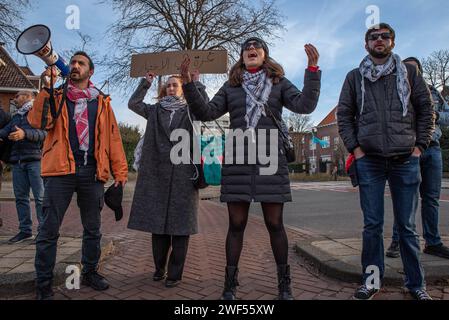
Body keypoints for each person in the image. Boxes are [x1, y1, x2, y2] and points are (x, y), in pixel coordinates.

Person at [181, 37, 321, 300]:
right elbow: (206, 112)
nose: (251, 49)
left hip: (270, 158)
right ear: (242, 57)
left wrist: (312, 71)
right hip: (238, 158)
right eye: (246, 48)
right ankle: (229, 286)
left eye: (256, 47)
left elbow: (305, 105)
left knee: (274, 223)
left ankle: (284, 286)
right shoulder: (231, 85)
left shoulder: (278, 83)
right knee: (236, 223)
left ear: (264, 55)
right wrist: (190, 84)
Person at [337, 23, 434, 300]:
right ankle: (371, 281)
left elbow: (427, 109)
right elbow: (344, 115)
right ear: (366, 44)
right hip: (370, 160)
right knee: (372, 225)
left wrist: (420, 147)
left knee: (407, 227)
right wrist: (356, 150)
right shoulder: (355, 77)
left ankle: (416, 285)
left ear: (392, 41)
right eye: (373, 37)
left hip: (406, 158)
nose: (379, 40)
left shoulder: (410, 73)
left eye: (384, 36)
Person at [27, 51, 128, 300]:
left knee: (92, 229)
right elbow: (38, 122)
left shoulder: (102, 102)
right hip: (60, 171)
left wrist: (120, 172)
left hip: (92, 172)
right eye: (73, 62)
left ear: (90, 72)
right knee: (49, 230)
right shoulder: (57, 95)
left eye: (81, 63)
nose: (75, 66)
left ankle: (91, 272)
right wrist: (46, 89)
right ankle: (43, 284)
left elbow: (113, 138)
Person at [127, 71, 208, 288]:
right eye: (169, 86)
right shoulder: (154, 110)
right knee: (158, 226)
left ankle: (174, 274)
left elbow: (205, 107)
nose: (171, 88)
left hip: (184, 175)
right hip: (156, 174)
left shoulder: (191, 111)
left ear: (182, 88)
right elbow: (133, 103)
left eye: (176, 85)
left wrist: (196, 83)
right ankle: (159, 268)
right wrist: (147, 82)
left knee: (181, 228)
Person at [386, 57, 449, 260]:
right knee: (405, 199)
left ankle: (433, 242)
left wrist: (434, 115)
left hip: (432, 148)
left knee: (431, 198)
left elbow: (447, 116)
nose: (411, 72)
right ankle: (398, 241)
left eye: (414, 69)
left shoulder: (432, 92)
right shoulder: (396, 89)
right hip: (408, 149)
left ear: (420, 71)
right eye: (407, 68)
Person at [0, 91, 46, 244]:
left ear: (28, 96)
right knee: (20, 198)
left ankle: (44, 232)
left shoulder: (37, 112)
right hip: (17, 162)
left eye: (18, 96)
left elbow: (44, 134)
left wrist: (24, 134)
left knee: (40, 197)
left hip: (35, 161)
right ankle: (25, 231)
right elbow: (4, 132)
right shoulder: (16, 117)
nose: (14, 99)